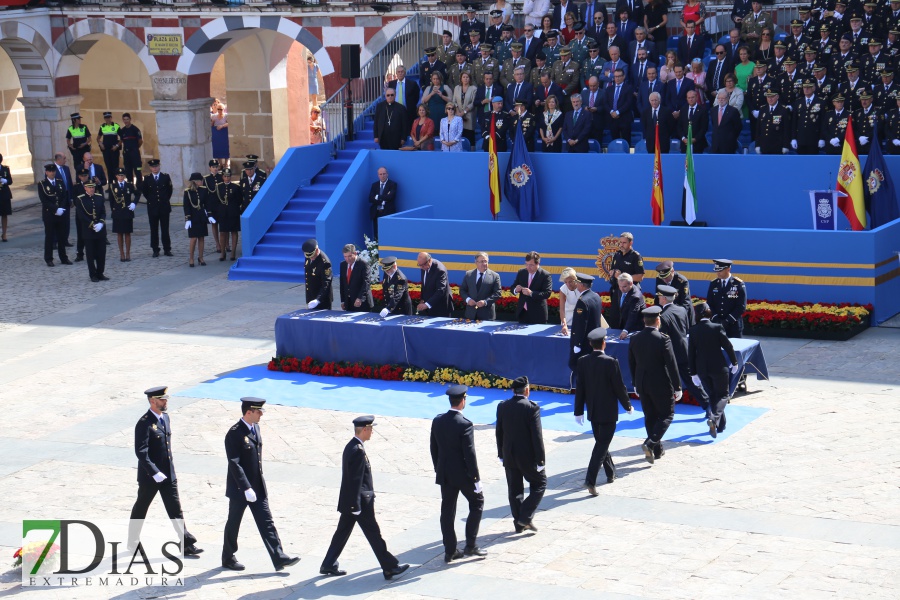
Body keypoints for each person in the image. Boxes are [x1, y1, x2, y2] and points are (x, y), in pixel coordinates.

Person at [320, 415, 410, 579]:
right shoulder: (357, 451)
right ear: (365, 429)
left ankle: (328, 564)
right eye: (371, 429)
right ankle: (390, 566)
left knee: (342, 533)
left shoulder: (352, 446)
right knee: (374, 535)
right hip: (359, 503)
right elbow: (355, 481)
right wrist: (355, 506)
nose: (372, 433)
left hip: (352, 502)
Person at [222, 398, 300, 572]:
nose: (261, 414)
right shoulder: (234, 433)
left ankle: (279, 557)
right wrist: (246, 487)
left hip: (257, 486)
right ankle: (227, 557)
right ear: (248, 412)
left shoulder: (255, 428)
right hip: (240, 489)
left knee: (267, 522)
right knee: (233, 523)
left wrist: (255, 486)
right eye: (258, 411)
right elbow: (234, 463)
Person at [128, 386, 202, 556]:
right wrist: (154, 472)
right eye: (162, 399)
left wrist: (168, 472)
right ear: (152, 401)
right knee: (141, 507)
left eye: (165, 399)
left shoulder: (165, 418)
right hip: (150, 477)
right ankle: (132, 543)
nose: (165, 401)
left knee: (175, 509)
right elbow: (141, 452)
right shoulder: (144, 423)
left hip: (168, 474)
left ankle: (186, 543)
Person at [430, 385, 486, 562]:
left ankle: (450, 550)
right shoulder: (465, 424)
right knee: (477, 503)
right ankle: (470, 545)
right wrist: (476, 478)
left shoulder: (438, 421)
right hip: (463, 475)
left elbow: (434, 448)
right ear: (463, 401)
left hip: (445, 474)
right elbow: (469, 454)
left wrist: (438, 469)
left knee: (447, 511)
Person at [574, 328, 634, 494]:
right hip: (608, 412)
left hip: (593, 410)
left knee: (602, 442)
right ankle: (590, 480)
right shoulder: (611, 362)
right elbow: (619, 387)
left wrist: (578, 411)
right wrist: (627, 405)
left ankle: (610, 473)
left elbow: (580, 388)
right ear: (604, 343)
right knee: (602, 444)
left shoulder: (583, 361)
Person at [628, 306, 682, 464]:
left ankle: (657, 450)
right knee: (667, 415)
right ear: (658, 320)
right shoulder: (663, 338)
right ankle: (650, 443)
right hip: (660, 383)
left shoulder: (635, 338)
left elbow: (632, 363)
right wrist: (677, 386)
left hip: (642, 382)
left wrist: (635, 383)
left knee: (650, 416)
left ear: (644, 321)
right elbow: (671, 364)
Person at [496, 376, 546, 532]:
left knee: (515, 489)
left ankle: (519, 522)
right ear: (527, 390)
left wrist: (501, 453)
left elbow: (499, 432)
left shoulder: (503, 406)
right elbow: (537, 437)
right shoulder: (531, 408)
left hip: (509, 454)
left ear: (513, 390)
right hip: (527, 456)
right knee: (540, 484)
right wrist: (541, 460)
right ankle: (524, 518)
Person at [689, 303, 739, 438]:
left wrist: (693, 373)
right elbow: (728, 346)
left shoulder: (693, 330)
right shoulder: (717, 327)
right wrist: (734, 362)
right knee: (723, 395)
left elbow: (691, 353)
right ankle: (714, 417)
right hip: (718, 367)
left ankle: (720, 425)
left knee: (713, 396)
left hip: (702, 369)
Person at [657, 284, 709, 410]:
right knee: (691, 381)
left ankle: (665, 407)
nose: (658, 298)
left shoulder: (663, 316)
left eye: (659, 296)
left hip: (671, 353)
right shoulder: (681, 310)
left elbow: (663, 338)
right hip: (684, 349)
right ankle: (707, 403)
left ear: (663, 298)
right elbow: (686, 329)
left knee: (665, 380)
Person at [568, 273, 603, 382]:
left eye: (577, 283)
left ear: (582, 285)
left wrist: (577, 344)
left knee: (575, 365)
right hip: (594, 340)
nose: (576, 285)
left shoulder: (582, 301)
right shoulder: (595, 296)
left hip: (583, 342)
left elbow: (580, 324)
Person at [38, 163, 71, 267]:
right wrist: (55, 209)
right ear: (46, 172)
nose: (52, 173)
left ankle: (63, 257)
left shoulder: (60, 182)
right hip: (50, 214)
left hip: (60, 213)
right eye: (50, 171)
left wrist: (61, 208)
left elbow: (64, 196)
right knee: (50, 236)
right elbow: (44, 200)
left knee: (62, 236)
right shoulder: (42, 184)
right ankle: (48, 258)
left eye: (53, 171)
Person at [75, 180, 108, 281]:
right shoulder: (80, 199)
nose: (91, 189)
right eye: (89, 187)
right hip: (88, 231)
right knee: (90, 253)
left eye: (93, 187)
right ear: (85, 188)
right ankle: (92, 274)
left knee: (101, 253)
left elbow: (103, 212)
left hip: (100, 229)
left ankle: (100, 272)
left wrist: (101, 223)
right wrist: (92, 224)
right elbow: (81, 216)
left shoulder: (99, 197)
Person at [706, 258, 747, 338]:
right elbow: (710, 303)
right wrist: (715, 318)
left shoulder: (738, 284)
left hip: (733, 326)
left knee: (734, 349)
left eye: (720, 271)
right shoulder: (714, 283)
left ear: (728, 269)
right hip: (716, 324)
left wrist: (728, 320)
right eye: (716, 270)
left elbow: (741, 306)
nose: (718, 273)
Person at [141, 159, 173, 258]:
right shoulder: (147, 179)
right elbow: (145, 192)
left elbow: (169, 191)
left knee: (165, 229)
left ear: (159, 166)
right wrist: (152, 201)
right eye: (153, 167)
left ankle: (167, 248)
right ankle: (155, 249)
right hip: (153, 207)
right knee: (154, 229)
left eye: (156, 166)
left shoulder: (165, 177)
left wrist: (164, 200)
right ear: (150, 168)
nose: (155, 168)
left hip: (164, 207)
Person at [459, 252, 502, 320]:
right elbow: (462, 290)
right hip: (471, 314)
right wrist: (468, 300)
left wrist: (485, 302)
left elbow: (497, 293)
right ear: (476, 262)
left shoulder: (495, 276)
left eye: (485, 261)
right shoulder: (469, 274)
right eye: (481, 261)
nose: (484, 264)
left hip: (487, 315)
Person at [513, 250, 553, 324]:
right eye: (526, 264)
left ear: (538, 263)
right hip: (522, 313)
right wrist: (516, 290)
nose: (528, 267)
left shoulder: (545, 275)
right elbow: (513, 287)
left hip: (538, 314)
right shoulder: (522, 272)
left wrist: (531, 293)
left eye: (531, 265)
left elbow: (547, 293)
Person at [108, 167, 136, 262]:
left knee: (127, 233)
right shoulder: (112, 186)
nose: (121, 177)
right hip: (118, 212)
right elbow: (111, 201)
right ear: (116, 176)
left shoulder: (129, 185)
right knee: (119, 233)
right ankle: (122, 254)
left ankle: (128, 253)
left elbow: (138, 193)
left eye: (122, 175)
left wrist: (134, 203)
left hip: (127, 212)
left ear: (124, 176)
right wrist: (114, 211)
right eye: (119, 175)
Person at [183, 173, 211, 268]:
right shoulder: (188, 192)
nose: (202, 182)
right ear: (196, 181)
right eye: (200, 180)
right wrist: (188, 218)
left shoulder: (203, 190)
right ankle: (191, 258)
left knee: (201, 237)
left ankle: (201, 257)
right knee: (193, 238)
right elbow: (186, 206)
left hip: (201, 216)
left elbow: (207, 204)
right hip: (193, 217)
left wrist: (209, 215)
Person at [607, 272, 645, 338]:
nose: (622, 289)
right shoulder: (620, 289)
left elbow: (632, 315)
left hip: (634, 329)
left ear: (631, 283)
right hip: (622, 326)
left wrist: (625, 330)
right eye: (620, 286)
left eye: (624, 286)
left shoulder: (635, 297)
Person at [216, 168, 243, 261]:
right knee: (223, 232)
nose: (227, 178)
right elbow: (216, 200)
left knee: (234, 232)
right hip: (223, 213)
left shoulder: (235, 187)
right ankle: (223, 252)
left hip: (233, 212)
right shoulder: (219, 187)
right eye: (225, 176)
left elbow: (239, 199)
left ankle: (233, 252)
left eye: (228, 176)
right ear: (222, 177)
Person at [416, 252, 452, 317]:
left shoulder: (440, 270)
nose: (421, 267)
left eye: (422, 265)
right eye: (419, 265)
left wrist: (427, 304)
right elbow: (424, 284)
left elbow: (440, 291)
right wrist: (422, 300)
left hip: (440, 307)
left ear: (429, 261)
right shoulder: (424, 266)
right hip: (428, 306)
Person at [339, 243, 373, 312]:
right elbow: (342, 283)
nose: (347, 259)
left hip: (362, 303)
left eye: (349, 256)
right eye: (345, 256)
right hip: (348, 302)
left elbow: (366, 283)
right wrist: (343, 300)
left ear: (355, 253)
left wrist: (359, 298)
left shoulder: (363, 264)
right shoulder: (343, 265)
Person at [755, 90, 791, 154]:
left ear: (777, 97)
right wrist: (757, 145)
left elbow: (786, 129)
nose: (770, 99)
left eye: (772, 97)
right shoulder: (763, 109)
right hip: (764, 145)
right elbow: (758, 129)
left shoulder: (783, 109)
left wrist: (785, 146)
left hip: (778, 146)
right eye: (768, 97)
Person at [302, 238, 333, 311]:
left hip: (322, 300)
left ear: (316, 250)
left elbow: (326, 283)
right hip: (311, 297)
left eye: (312, 256)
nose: (311, 258)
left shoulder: (325, 263)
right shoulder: (309, 256)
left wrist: (318, 300)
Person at [605, 68, 635, 142]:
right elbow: (605, 103)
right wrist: (612, 112)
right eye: (615, 76)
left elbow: (628, 103)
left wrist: (618, 112)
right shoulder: (609, 89)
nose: (617, 78)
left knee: (626, 140)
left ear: (623, 77)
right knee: (614, 140)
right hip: (613, 119)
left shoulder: (628, 88)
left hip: (624, 118)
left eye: (619, 76)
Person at [119, 113, 143, 202]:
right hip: (127, 155)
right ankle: (131, 188)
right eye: (124, 119)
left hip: (135, 155)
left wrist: (135, 149)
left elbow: (140, 141)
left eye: (127, 119)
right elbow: (121, 141)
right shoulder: (122, 130)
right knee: (128, 172)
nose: (125, 121)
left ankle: (139, 188)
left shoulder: (135, 129)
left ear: (130, 119)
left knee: (138, 171)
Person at [369, 166, 397, 240]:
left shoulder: (392, 184)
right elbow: (370, 198)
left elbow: (390, 197)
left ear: (387, 174)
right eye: (380, 174)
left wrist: (377, 196)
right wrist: (382, 199)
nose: (382, 176)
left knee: (388, 233)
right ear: (378, 175)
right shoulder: (374, 185)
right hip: (376, 213)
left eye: (384, 174)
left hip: (388, 212)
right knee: (376, 234)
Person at [453, 72, 478, 145]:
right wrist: (458, 112)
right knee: (459, 135)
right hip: (458, 114)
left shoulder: (474, 88)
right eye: (464, 77)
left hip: (469, 115)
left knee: (469, 135)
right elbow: (454, 101)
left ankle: (471, 152)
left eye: (467, 77)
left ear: (470, 79)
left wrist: (464, 112)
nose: (465, 79)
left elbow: (473, 103)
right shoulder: (456, 88)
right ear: (461, 78)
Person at [98, 111, 121, 176]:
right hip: (106, 150)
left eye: (108, 117)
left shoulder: (116, 126)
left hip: (114, 150)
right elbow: (98, 138)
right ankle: (110, 184)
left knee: (115, 167)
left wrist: (117, 146)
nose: (107, 119)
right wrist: (100, 144)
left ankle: (116, 183)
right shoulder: (102, 127)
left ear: (111, 118)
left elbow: (122, 138)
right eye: (106, 118)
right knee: (108, 167)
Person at [0, 153, 11, 242]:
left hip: (4, 194)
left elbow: (10, 180)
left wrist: (6, 180)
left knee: (4, 214)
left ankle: (4, 233)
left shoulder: (5, 169)